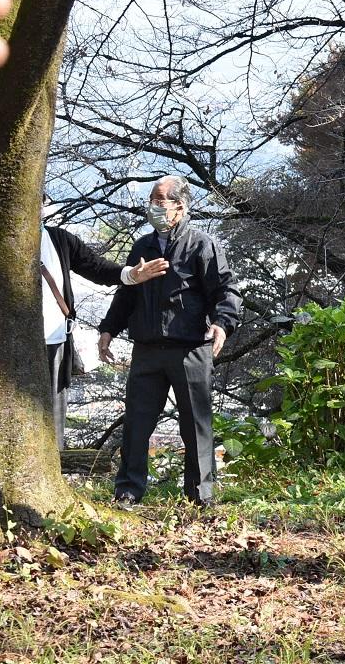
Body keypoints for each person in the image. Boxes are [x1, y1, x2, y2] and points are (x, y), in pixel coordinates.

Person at [98, 176, 242, 507]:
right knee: (136, 423)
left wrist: (222, 324)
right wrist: (108, 329)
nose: (154, 205)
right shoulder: (142, 247)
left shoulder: (202, 244)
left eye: (160, 199)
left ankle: (200, 494)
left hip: (190, 349)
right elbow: (126, 293)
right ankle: (128, 491)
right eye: (152, 198)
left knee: (196, 426)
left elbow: (225, 290)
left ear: (180, 206)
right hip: (147, 349)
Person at [40, 196, 168, 449]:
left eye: (42, 199)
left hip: (53, 341)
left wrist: (130, 275)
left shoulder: (59, 239)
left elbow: (96, 267)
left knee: (52, 422)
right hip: (10, 346)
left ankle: (51, 473)